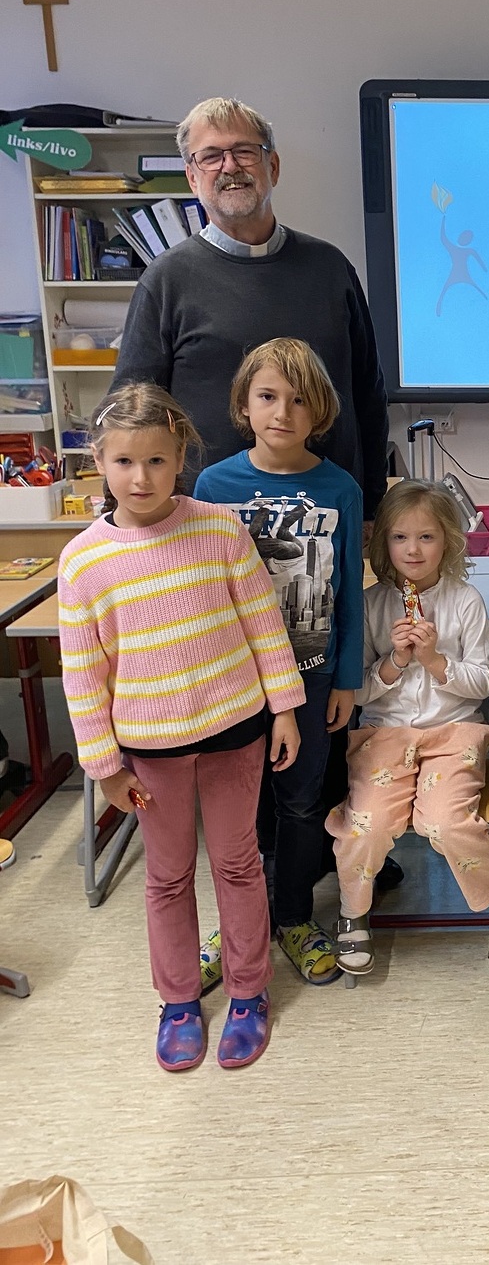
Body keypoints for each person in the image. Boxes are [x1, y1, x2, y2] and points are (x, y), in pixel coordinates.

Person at [57, 384, 305, 1072]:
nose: (141, 478)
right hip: (150, 750)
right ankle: (177, 1001)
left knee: (237, 863)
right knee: (167, 876)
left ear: (180, 458)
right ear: (99, 462)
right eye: (124, 462)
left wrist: (284, 708)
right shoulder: (82, 561)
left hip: (233, 731)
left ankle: (249, 991)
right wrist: (104, 767)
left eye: (157, 461)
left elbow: (263, 624)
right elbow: (82, 675)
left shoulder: (220, 531)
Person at [112, 96, 389, 523]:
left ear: (272, 166)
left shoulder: (331, 269)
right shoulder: (166, 281)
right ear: (192, 177)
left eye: (244, 151)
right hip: (203, 525)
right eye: (211, 156)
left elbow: (369, 394)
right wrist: (127, 517)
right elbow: (131, 413)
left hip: (327, 521)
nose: (229, 166)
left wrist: (371, 506)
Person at [195, 339, 364, 987]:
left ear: (319, 411)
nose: (282, 413)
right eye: (268, 396)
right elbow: (202, 592)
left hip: (313, 675)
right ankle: (239, 921)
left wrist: (346, 679)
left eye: (298, 400)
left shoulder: (340, 488)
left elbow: (349, 593)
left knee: (299, 804)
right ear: (244, 404)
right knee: (237, 810)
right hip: (235, 683)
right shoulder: (214, 488)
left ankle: (292, 915)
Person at [327, 481, 489, 976]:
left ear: (448, 542)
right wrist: (396, 661)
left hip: (454, 733)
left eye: (426, 537)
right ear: (384, 543)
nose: (412, 550)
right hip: (384, 735)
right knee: (366, 823)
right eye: (400, 537)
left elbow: (483, 683)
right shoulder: (371, 605)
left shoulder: (465, 602)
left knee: (446, 822)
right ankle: (353, 912)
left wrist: (436, 661)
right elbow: (359, 692)